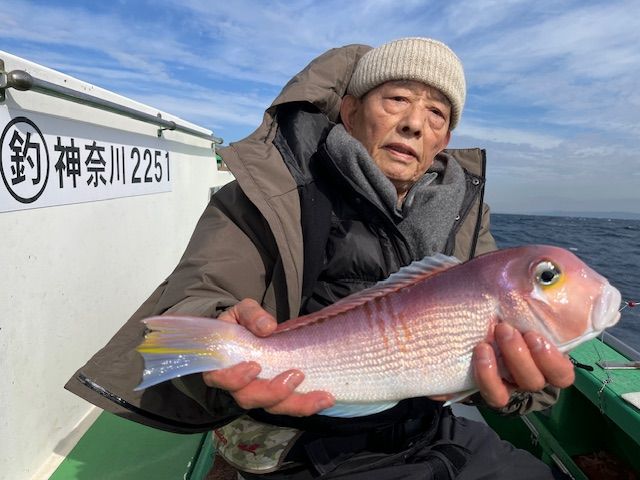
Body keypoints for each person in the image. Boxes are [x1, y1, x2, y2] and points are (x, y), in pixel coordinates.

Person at [66, 38, 575, 479]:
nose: (414, 124)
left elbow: (502, 360)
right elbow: (201, 293)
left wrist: (516, 384)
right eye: (397, 99)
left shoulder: (464, 212)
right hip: (295, 440)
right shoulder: (272, 190)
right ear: (350, 112)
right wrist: (218, 333)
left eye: (436, 114)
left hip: (426, 428)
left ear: (444, 140)